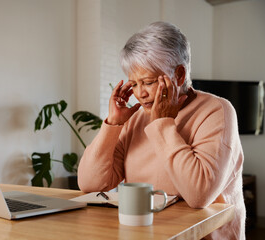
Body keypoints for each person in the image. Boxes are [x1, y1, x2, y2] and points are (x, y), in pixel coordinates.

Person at [77, 21, 245, 239]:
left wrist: (162, 123)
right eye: (134, 84)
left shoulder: (217, 111)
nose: (140, 94)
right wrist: (113, 124)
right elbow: (90, 184)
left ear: (179, 75)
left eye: (147, 82)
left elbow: (198, 195)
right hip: (147, 234)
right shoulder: (137, 117)